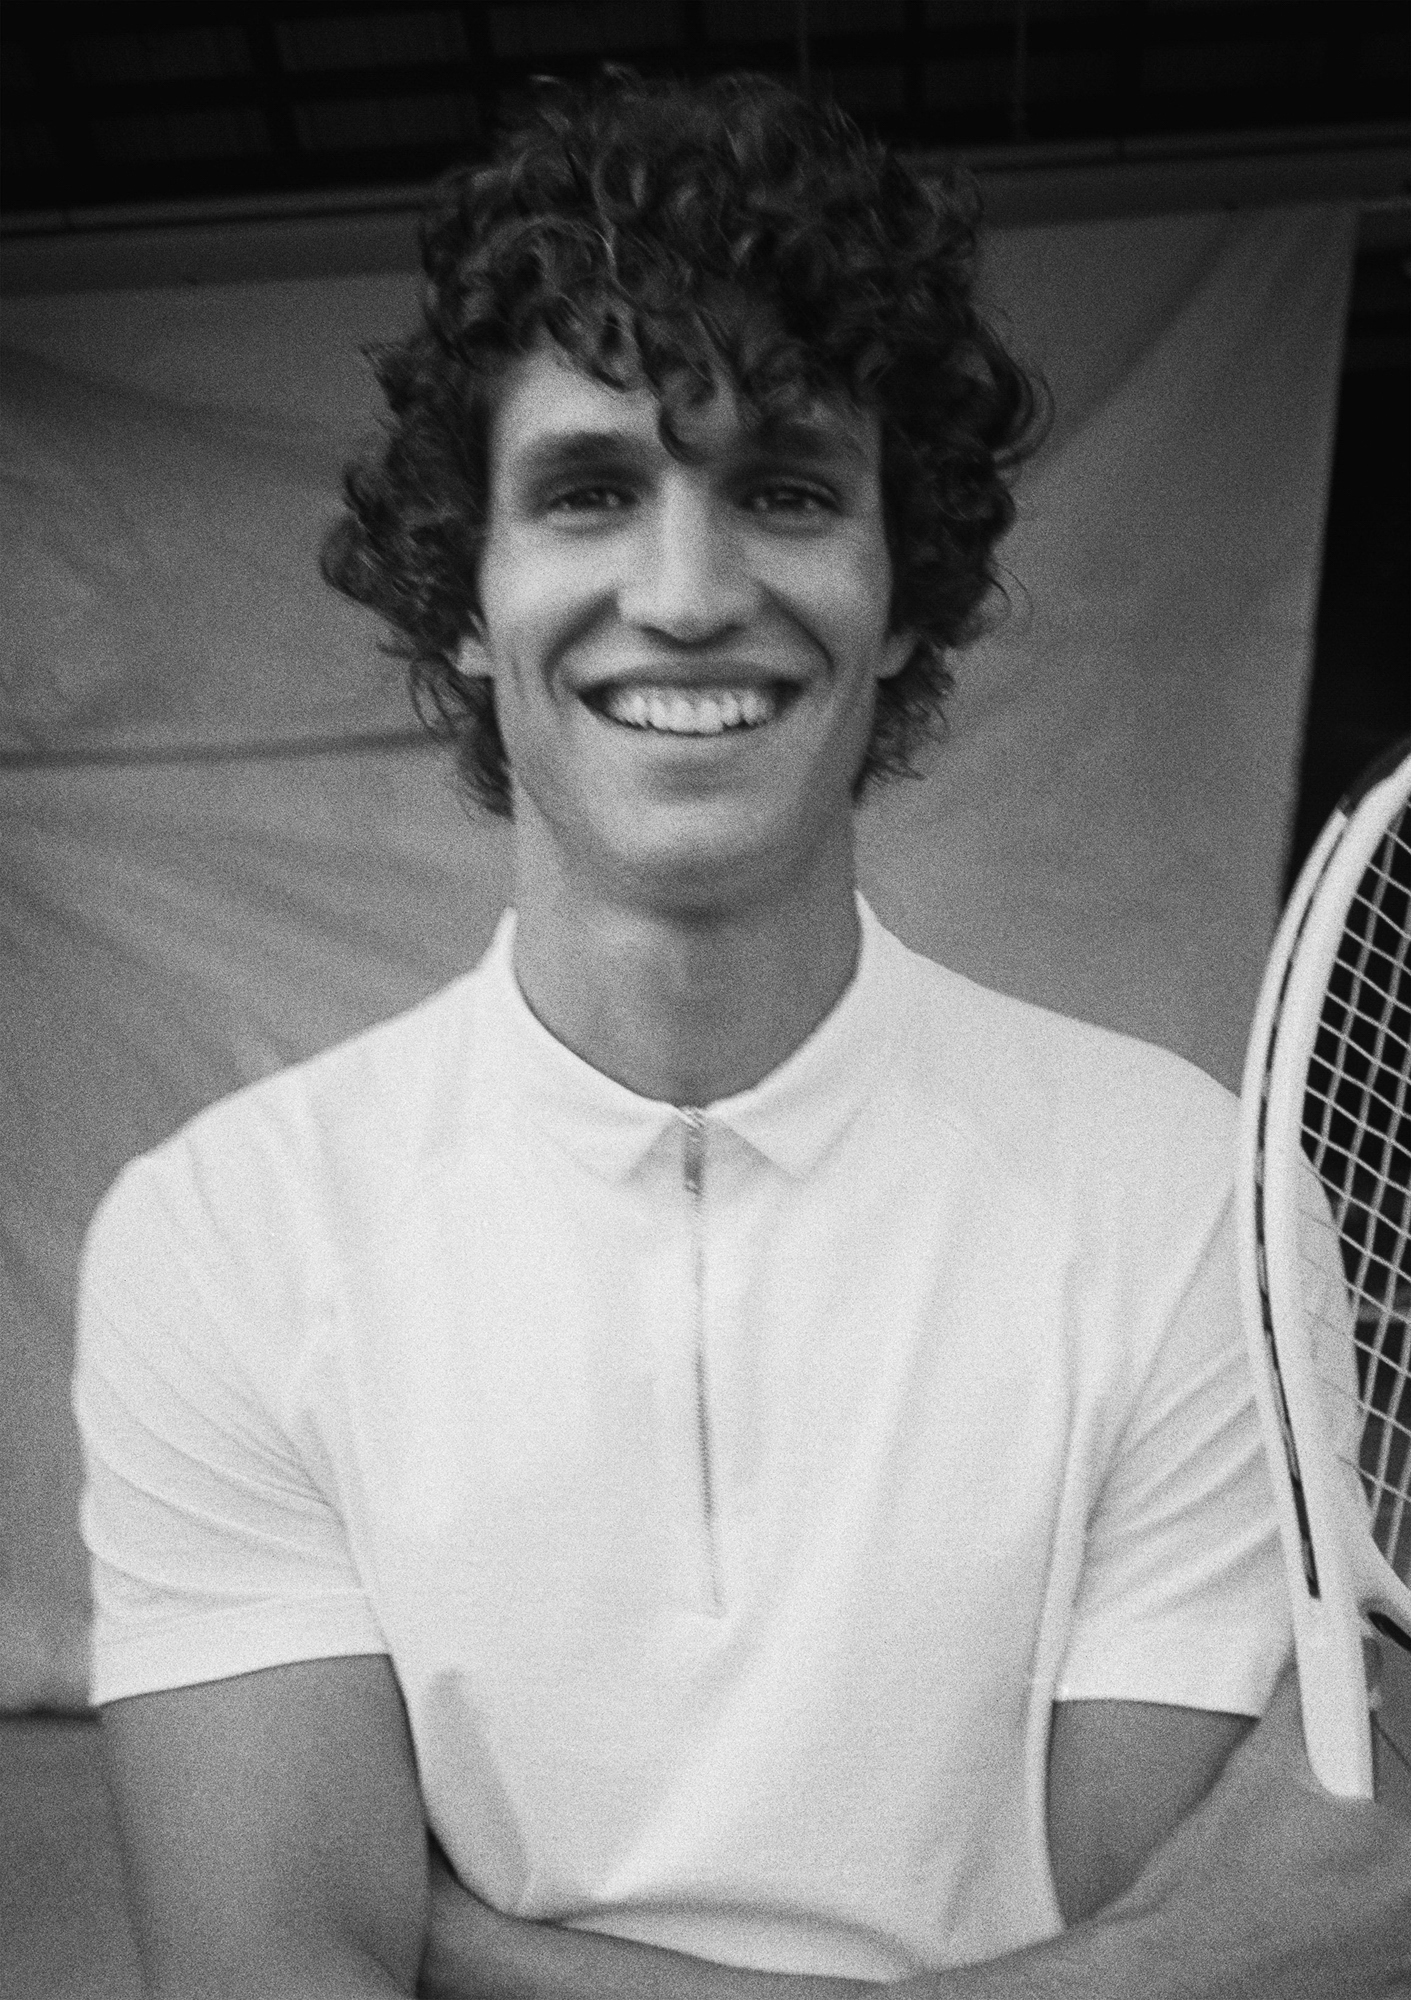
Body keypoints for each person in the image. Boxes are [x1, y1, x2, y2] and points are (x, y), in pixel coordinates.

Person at [72, 72, 1409, 2000]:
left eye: (785, 489)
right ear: (468, 594)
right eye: (592, 489)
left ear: (897, 593)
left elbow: (1171, 1952)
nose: (688, 595)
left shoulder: (1183, 1195)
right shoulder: (218, 1238)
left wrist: (473, 1950)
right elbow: (277, 1971)